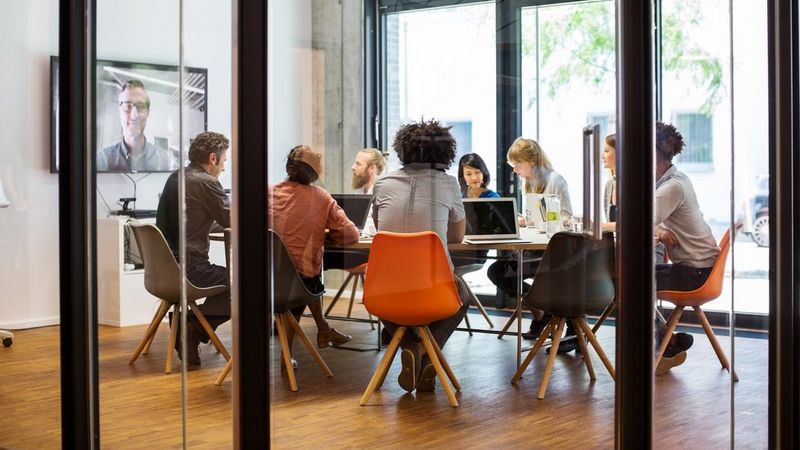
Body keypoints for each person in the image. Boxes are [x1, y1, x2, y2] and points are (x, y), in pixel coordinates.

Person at [372, 118, 470, 393]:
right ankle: (425, 353)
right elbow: (456, 237)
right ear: (444, 153)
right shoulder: (448, 184)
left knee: (384, 303)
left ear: (402, 149)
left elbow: (381, 232)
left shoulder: (383, 183)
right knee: (462, 295)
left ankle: (411, 349)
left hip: (383, 290)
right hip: (432, 287)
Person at [486, 137, 577, 350]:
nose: (515, 169)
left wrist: (538, 220)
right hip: (534, 250)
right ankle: (541, 312)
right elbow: (536, 215)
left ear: (532, 160)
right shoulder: (528, 183)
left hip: (554, 252)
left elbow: (565, 218)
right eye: (513, 165)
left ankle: (566, 326)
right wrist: (524, 221)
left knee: (556, 277)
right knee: (498, 271)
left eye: (517, 164)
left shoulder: (555, 180)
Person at [269, 145, 359, 352]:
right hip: (297, 284)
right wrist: (326, 234)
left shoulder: (267, 191)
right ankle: (289, 353)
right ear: (315, 173)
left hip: (262, 279)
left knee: (303, 271)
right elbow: (351, 235)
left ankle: (324, 328)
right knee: (307, 274)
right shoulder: (321, 197)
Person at [156, 131, 231, 366]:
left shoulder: (176, 177)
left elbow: (194, 218)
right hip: (190, 269)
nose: (224, 168)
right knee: (246, 281)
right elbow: (233, 220)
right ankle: (194, 330)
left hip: (162, 270)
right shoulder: (207, 183)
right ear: (212, 158)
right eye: (224, 160)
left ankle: (188, 326)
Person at [653, 122, 719, 374]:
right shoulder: (676, 180)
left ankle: (662, 344)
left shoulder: (671, 188)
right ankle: (667, 341)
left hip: (695, 273)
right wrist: (659, 231)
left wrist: (657, 230)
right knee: (636, 278)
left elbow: (635, 222)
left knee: (632, 282)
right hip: (701, 268)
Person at [322, 148, 387, 272]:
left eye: (358, 164)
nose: (352, 167)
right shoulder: (358, 195)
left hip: (370, 252)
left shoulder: (382, 194)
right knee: (321, 253)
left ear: (372, 168)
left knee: (322, 256)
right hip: (355, 245)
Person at [97, 80, 173, 172]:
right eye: (127, 106)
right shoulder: (101, 160)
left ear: (147, 113)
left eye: (140, 106)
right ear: (119, 111)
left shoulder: (164, 161)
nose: (134, 115)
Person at [602, 134, 617, 226]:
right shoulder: (609, 185)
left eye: (606, 151)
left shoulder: (633, 184)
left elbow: (631, 224)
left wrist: (597, 226)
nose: (602, 156)